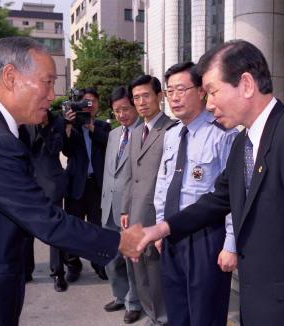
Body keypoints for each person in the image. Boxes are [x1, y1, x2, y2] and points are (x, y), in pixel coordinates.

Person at [0, 36, 140, 326]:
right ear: (10, 77)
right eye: (46, 82)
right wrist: (121, 241)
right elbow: (46, 220)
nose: (52, 95)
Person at [135, 40, 284, 326]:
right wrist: (163, 227)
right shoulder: (243, 142)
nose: (209, 104)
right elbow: (217, 199)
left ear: (246, 84)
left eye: (212, 92)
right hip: (259, 303)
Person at [154, 62, 238, 325]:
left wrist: (231, 244)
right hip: (172, 235)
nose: (174, 97)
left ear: (201, 91)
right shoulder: (171, 135)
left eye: (181, 89)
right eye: (169, 91)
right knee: (177, 312)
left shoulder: (223, 134)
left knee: (206, 314)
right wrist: (159, 226)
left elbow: (233, 195)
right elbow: (162, 184)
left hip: (206, 238)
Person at [121, 75, 175, 326]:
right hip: (134, 213)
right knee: (138, 268)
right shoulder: (135, 133)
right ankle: (151, 313)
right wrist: (124, 208)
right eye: (136, 97)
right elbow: (131, 175)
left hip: (157, 215)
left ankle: (163, 318)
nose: (141, 102)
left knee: (156, 270)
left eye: (146, 96)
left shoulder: (171, 130)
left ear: (159, 96)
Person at [101, 86, 142, 324]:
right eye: (117, 111)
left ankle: (134, 302)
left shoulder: (143, 133)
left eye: (125, 109)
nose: (122, 114)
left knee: (130, 261)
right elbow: (110, 174)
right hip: (108, 207)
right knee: (111, 257)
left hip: (129, 210)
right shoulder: (113, 135)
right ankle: (119, 295)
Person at [63, 87, 111, 282]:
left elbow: (110, 145)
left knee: (97, 227)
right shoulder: (71, 126)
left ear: (98, 105)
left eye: (92, 102)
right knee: (73, 227)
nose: (88, 106)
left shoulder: (103, 126)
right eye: (85, 102)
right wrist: (67, 126)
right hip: (76, 184)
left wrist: (92, 128)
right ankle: (73, 265)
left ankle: (99, 263)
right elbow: (64, 150)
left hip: (97, 185)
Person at [18, 110, 68, 291]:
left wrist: (46, 128)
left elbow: (56, 148)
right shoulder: (23, 122)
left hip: (52, 184)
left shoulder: (57, 122)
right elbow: (24, 150)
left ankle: (58, 273)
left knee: (55, 230)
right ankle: (26, 270)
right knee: (27, 231)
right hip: (29, 183)